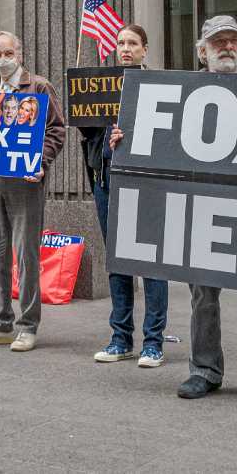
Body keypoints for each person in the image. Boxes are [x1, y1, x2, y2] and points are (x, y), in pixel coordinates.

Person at [111, 16, 237, 404]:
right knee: (202, 298)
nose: (226, 46)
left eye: (232, 40)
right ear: (201, 50)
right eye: (217, 41)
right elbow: (154, 148)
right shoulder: (179, 92)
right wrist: (124, 140)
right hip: (200, 211)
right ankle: (204, 370)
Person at [0, 32, 67, 352]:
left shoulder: (38, 87)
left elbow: (56, 129)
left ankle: (27, 326)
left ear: (20, 53)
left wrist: (42, 161)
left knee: (26, 256)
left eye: (8, 52)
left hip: (26, 183)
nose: (3, 59)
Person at [81, 24, 170, 368]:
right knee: (117, 261)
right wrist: (98, 135)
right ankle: (121, 338)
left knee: (151, 262)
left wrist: (130, 136)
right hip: (107, 180)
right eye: (120, 43)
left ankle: (153, 342)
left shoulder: (158, 86)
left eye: (133, 43)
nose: (125, 48)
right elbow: (87, 136)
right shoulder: (101, 87)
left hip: (146, 185)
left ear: (145, 50)